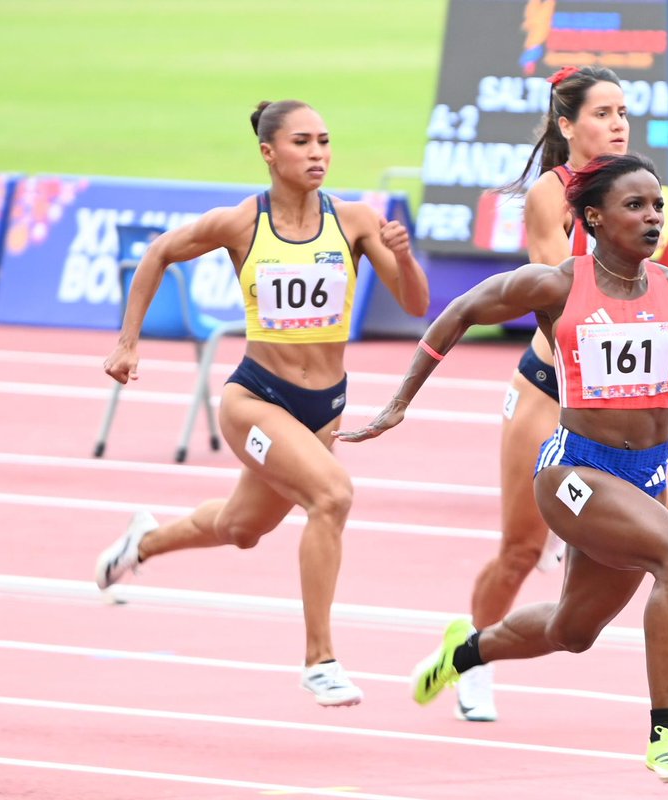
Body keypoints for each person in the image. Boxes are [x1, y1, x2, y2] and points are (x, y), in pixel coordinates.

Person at [336, 153, 668, 785]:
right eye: (635, 206)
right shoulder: (557, 284)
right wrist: (398, 402)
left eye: (657, 207)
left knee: (573, 630)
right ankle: (665, 736)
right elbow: (459, 313)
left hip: (642, 476)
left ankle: (466, 650)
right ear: (593, 218)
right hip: (572, 471)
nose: (652, 218)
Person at [95, 99, 430, 707]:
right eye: (302, 143)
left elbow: (414, 304)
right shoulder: (239, 223)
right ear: (269, 153)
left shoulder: (354, 220)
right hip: (255, 398)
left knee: (240, 528)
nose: (318, 154)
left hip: (323, 405)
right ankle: (319, 660)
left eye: (325, 141)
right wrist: (127, 343)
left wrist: (401, 255)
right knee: (331, 496)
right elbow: (158, 253)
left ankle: (141, 542)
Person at [458, 64, 668, 723]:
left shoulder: (640, 189)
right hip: (554, 390)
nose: (618, 123)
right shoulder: (551, 194)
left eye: (623, 112)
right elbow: (558, 294)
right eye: (602, 113)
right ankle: (471, 657)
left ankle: (595, 532)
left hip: (629, 400)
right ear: (567, 127)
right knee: (518, 550)